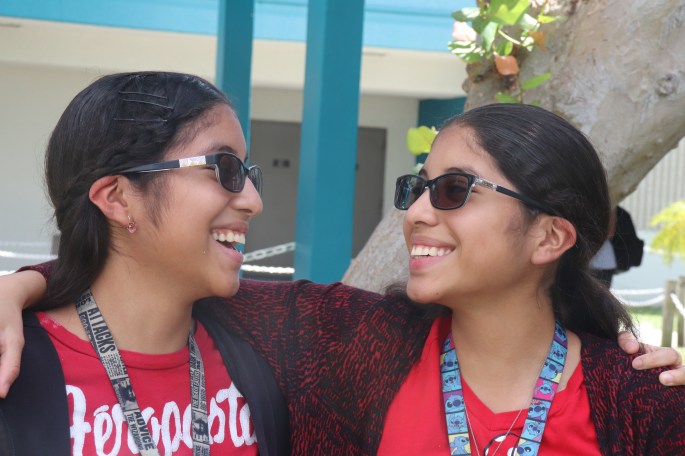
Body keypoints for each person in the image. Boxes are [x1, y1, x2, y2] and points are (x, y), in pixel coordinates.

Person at [2, 103, 685, 454]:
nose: (417, 213)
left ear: (549, 237)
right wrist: (21, 287)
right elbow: (152, 271)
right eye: (416, 188)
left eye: (453, 190)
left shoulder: (641, 402)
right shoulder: (347, 341)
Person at [0, 72, 289, 455]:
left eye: (246, 173)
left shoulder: (272, 357)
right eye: (223, 167)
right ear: (118, 198)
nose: (254, 202)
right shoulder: (13, 370)